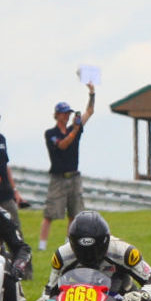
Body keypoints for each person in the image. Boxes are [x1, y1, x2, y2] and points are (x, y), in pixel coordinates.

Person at [40, 84, 96, 251]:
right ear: (57, 115)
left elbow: (90, 111)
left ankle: (67, 243)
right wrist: (75, 130)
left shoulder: (75, 129)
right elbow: (63, 145)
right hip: (58, 177)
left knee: (74, 212)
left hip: (74, 176)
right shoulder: (51, 133)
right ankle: (42, 246)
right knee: (50, 213)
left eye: (68, 113)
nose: (66, 116)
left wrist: (92, 93)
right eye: (63, 113)